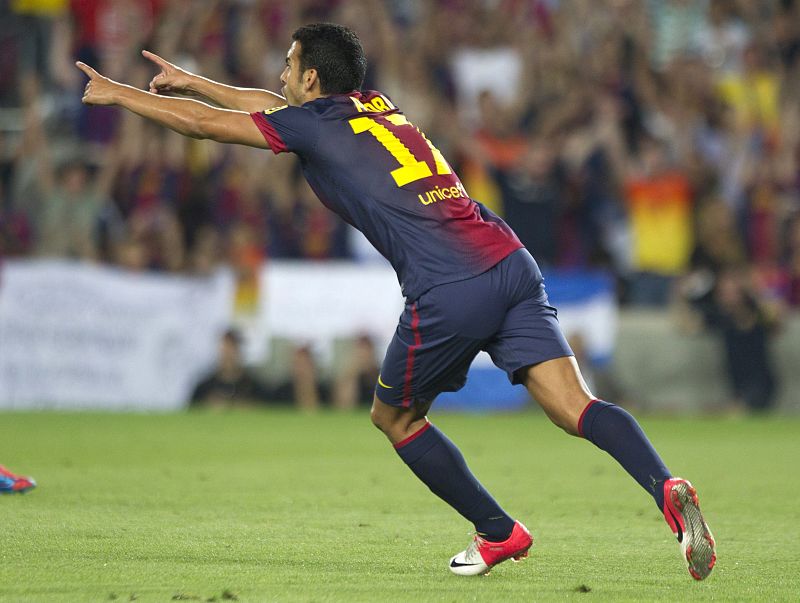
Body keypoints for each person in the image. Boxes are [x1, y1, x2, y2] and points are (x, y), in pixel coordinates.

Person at [74, 23, 716, 580]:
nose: (281, 75)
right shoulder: (376, 108)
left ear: (311, 78)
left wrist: (118, 94)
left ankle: (500, 532)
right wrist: (193, 81)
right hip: (508, 260)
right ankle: (665, 486)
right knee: (577, 407)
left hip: (449, 284)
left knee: (396, 418)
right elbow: (265, 105)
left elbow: (206, 128)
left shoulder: (312, 126)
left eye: (289, 64)